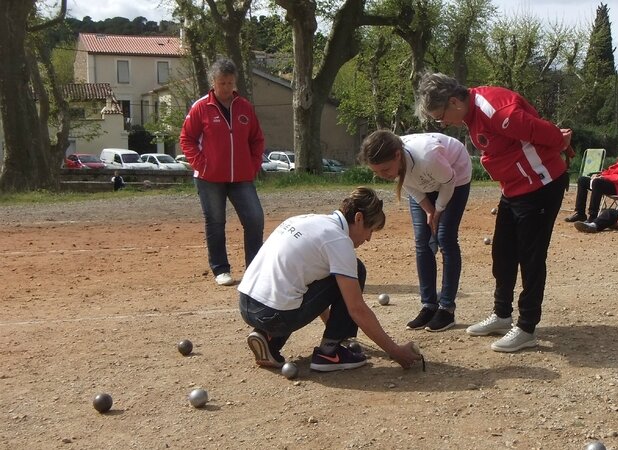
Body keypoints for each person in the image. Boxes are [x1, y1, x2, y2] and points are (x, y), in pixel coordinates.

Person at [415, 72, 569, 353]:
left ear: (453, 101)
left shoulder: (494, 110)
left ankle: (526, 327)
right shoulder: (471, 113)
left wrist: (560, 142)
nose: (443, 123)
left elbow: (547, 133)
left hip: (540, 185)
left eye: (441, 116)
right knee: (503, 252)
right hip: (514, 189)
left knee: (531, 256)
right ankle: (502, 314)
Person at [237, 187, 421, 372]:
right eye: (370, 230)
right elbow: (356, 309)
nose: (368, 239)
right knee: (356, 269)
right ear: (358, 219)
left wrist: (334, 326)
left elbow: (314, 289)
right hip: (275, 316)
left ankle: (268, 339)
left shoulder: (307, 220)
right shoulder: (339, 241)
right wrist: (395, 351)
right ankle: (329, 353)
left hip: (247, 305)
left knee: (294, 289)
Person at [360, 130, 472, 332]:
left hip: (454, 176)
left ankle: (446, 309)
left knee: (445, 238)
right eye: (377, 173)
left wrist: (437, 210)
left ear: (397, 155)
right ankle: (429, 305)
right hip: (423, 181)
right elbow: (409, 184)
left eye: (385, 170)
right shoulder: (395, 164)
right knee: (423, 240)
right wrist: (428, 209)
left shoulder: (427, 156)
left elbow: (448, 182)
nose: (384, 176)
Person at [180, 58, 265, 286]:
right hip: (209, 178)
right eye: (222, 83)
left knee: (255, 219)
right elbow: (186, 138)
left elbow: (256, 139)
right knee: (216, 222)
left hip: (242, 177)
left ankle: (255, 268)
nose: (226, 88)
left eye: (230, 83)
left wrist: (253, 164)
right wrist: (201, 163)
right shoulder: (201, 107)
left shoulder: (245, 107)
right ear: (213, 82)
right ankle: (221, 269)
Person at [565, 136, 618, 223]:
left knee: (597, 183)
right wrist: (601, 174)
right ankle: (580, 213)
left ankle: (593, 216)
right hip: (613, 183)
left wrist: (605, 177)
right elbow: (612, 170)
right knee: (582, 180)